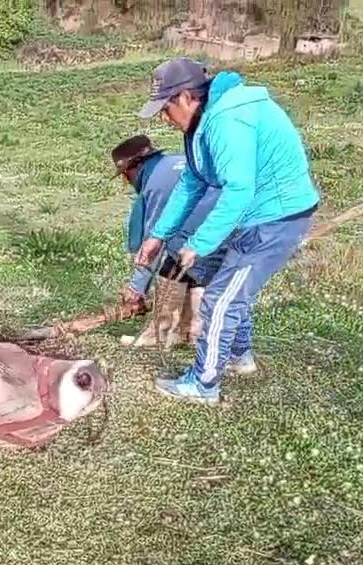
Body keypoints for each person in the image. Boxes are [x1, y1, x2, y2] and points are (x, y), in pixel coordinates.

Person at [125, 57, 320, 405]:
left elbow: (239, 190)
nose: (163, 119)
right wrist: (157, 235)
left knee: (219, 298)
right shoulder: (202, 124)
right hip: (253, 214)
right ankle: (238, 355)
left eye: (166, 109)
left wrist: (199, 243)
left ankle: (204, 384)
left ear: (186, 97)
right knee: (224, 282)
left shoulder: (228, 119)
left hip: (275, 217)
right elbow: (192, 182)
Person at [112, 133, 221, 345]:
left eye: (126, 175)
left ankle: (157, 335)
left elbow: (153, 244)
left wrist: (136, 289)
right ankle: (188, 332)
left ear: (133, 169)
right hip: (225, 222)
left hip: (209, 223)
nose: (128, 181)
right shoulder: (173, 163)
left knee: (171, 266)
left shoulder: (156, 183)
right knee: (190, 268)